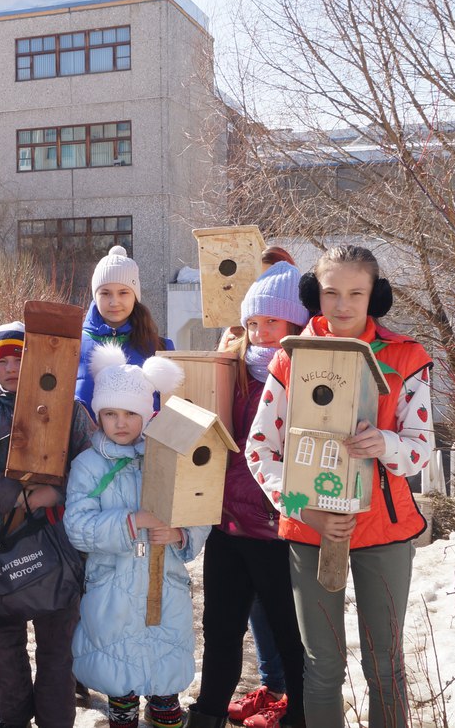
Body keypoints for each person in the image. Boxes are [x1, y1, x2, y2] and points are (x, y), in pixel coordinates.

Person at [247, 245, 434, 728]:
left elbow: (420, 449)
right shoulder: (291, 358)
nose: (343, 305)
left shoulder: (407, 355)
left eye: (356, 292)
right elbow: (259, 451)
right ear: (315, 296)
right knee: (322, 667)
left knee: (384, 666)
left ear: (375, 295)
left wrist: (384, 443)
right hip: (310, 531)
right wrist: (305, 511)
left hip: (384, 531)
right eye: (331, 293)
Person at [188, 261, 308, 728]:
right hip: (228, 525)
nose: (259, 333)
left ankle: (299, 718)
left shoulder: (303, 373)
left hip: (279, 530)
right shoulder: (235, 371)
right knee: (219, 633)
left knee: (289, 636)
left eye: (270, 322)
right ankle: (208, 716)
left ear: (295, 323)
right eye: (252, 323)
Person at [64, 346, 203, 728]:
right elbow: (77, 525)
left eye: (130, 413)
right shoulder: (89, 465)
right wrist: (131, 521)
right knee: (119, 688)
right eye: (110, 413)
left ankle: (163, 713)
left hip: (165, 588)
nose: (120, 423)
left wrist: (179, 533)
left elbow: (199, 507)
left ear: (147, 414)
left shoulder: (167, 455)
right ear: (98, 415)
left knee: (164, 686)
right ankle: (122, 716)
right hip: (112, 592)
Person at [0, 321, 93, 728]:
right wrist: (20, 498)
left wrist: (57, 493)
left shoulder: (67, 409)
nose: (9, 368)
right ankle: (14, 720)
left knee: (58, 651)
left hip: (56, 549)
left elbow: (90, 466)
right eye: (1, 360)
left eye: (19, 358)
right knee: (4, 652)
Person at [75, 245, 174, 414]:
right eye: (105, 293)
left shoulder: (159, 347)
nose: (114, 302)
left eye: (123, 293)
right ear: (95, 295)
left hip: (144, 440)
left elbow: (172, 411)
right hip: (84, 441)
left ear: (135, 296)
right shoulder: (73, 345)